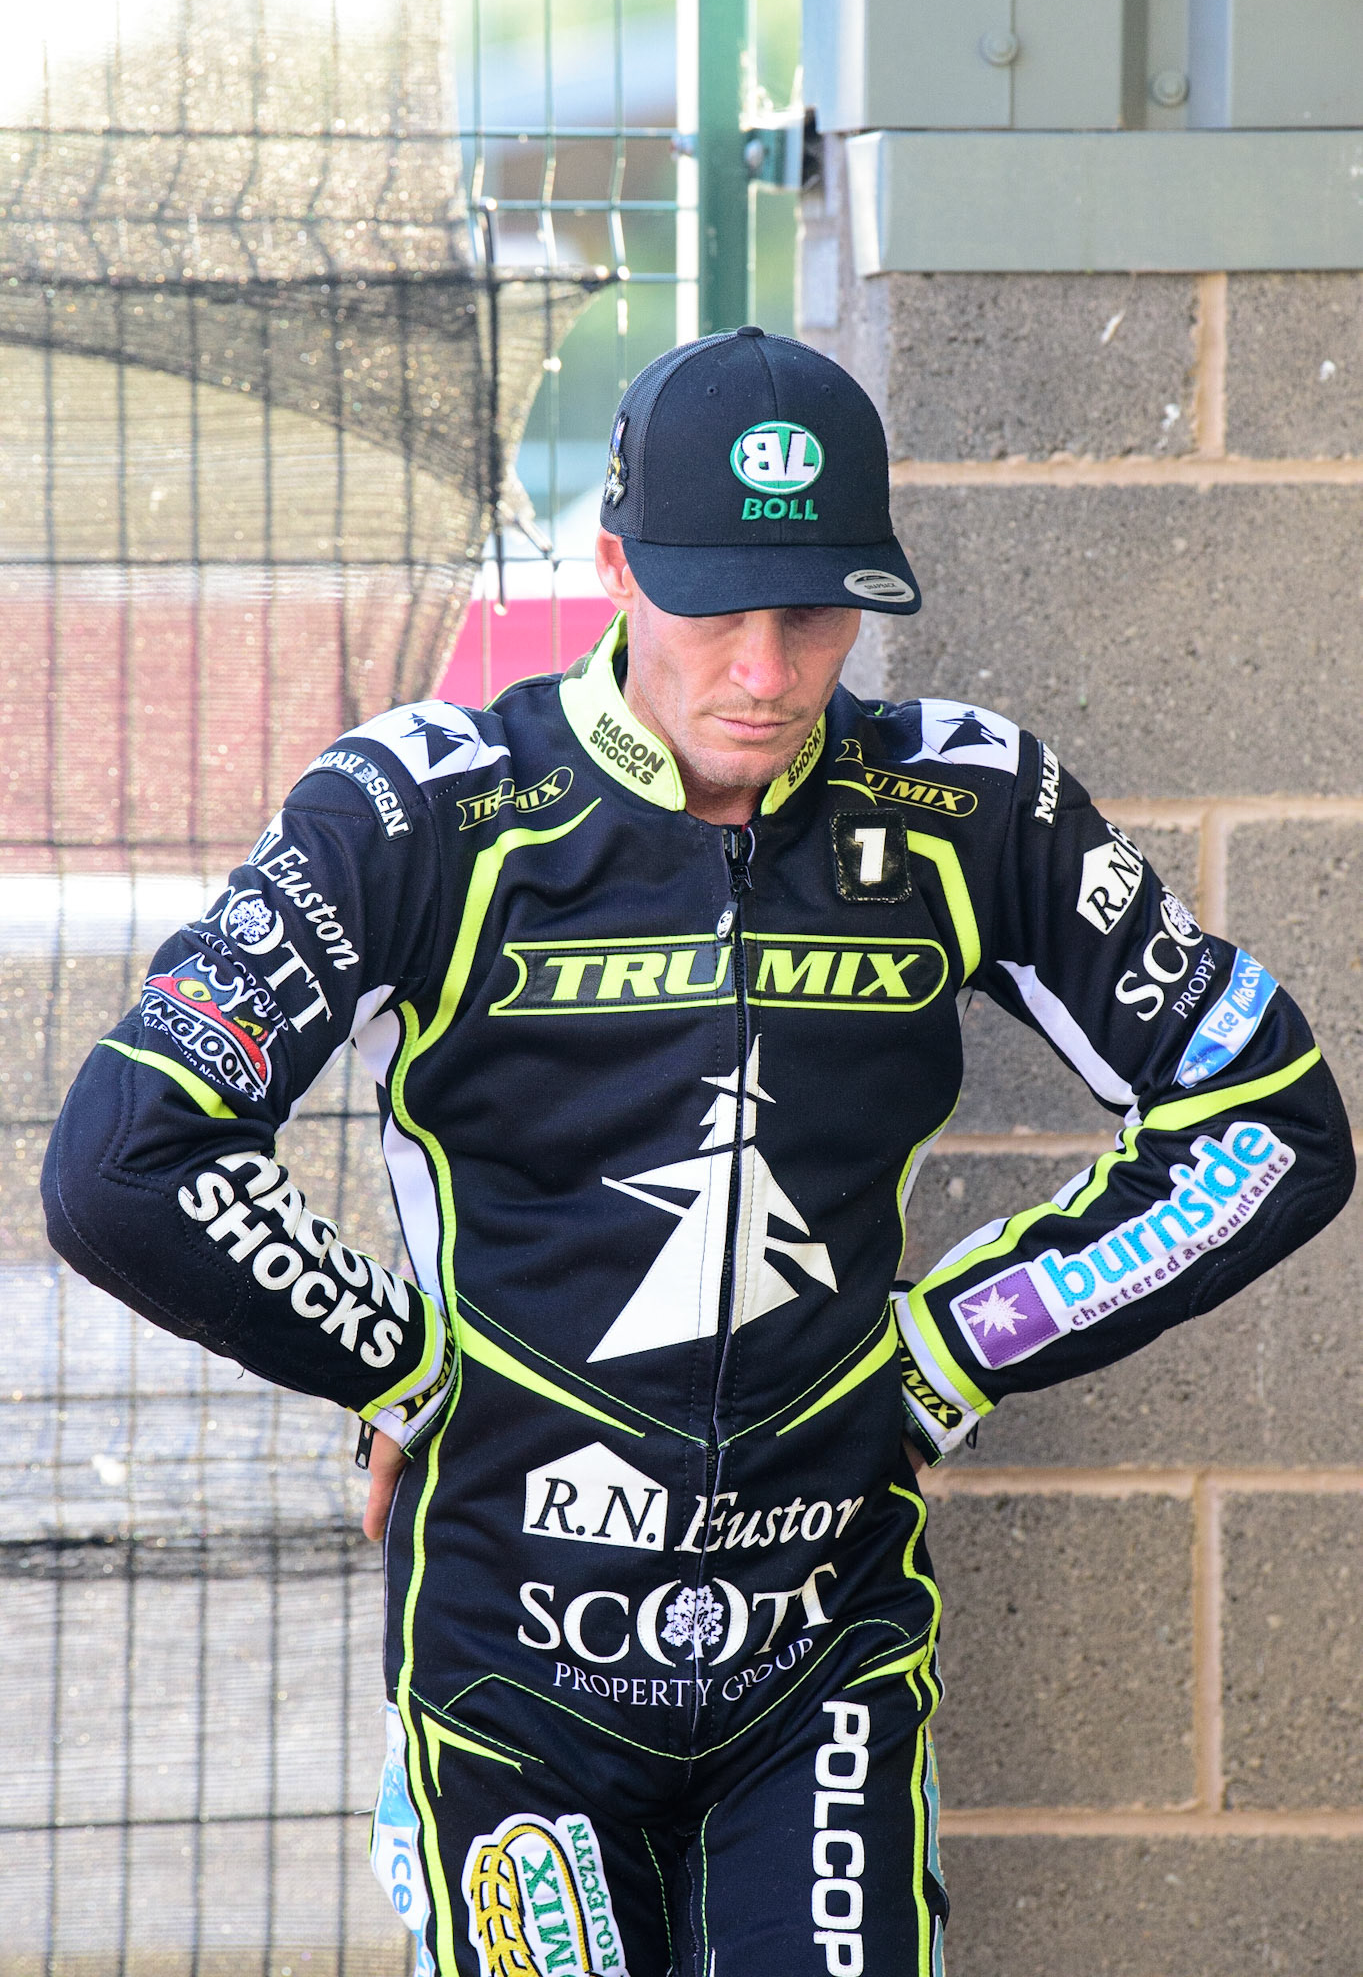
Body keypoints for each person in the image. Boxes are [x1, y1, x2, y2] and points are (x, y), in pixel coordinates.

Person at [44, 325, 1353, 1977]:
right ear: (613, 568)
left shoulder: (967, 806)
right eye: (713, 607)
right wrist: (399, 1362)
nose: (766, 671)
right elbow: (124, 1162)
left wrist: (954, 1350)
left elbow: (1270, 1120)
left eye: (812, 615)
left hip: (824, 1656)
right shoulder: (415, 812)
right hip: (517, 1668)